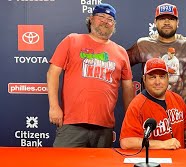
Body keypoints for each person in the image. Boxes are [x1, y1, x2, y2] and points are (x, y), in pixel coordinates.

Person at [47, 3, 134, 148]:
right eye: (101, 16)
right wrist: (54, 107)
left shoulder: (121, 52)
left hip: (104, 127)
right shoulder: (72, 40)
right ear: (91, 19)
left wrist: (131, 119)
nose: (105, 21)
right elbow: (52, 73)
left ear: (114, 25)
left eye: (110, 19)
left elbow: (128, 87)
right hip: (72, 124)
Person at [127, 3, 186, 105]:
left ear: (177, 22)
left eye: (171, 19)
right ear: (155, 22)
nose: (167, 22)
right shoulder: (143, 45)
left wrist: (184, 76)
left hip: (178, 112)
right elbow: (121, 65)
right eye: (162, 19)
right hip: (149, 111)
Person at [120, 58, 186, 150]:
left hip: (179, 160)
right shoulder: (137, 105)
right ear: (144, 79)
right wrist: (162, 144)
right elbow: (126, 142)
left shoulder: (177, 99)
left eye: (162, 77)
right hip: (153, 162)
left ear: (167, 78)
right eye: (152, 77)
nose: (157, 82)